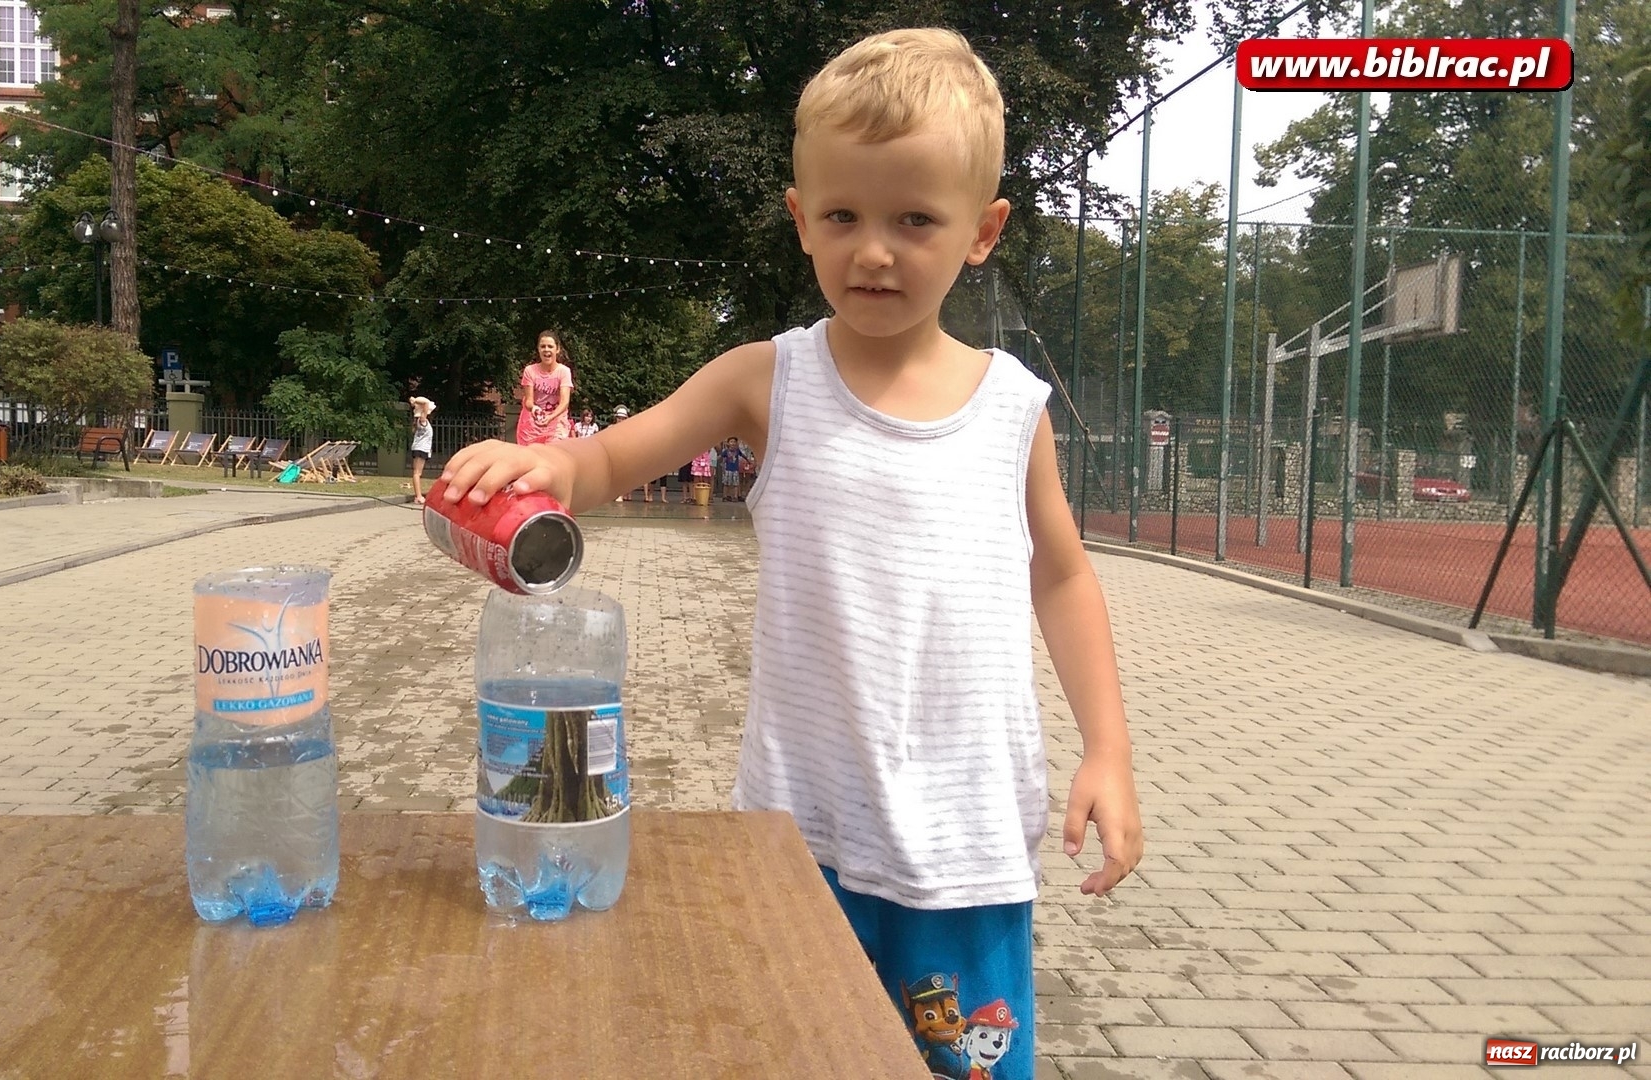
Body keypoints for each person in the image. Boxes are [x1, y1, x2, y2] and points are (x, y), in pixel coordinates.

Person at [439, 30, 1140, 1080]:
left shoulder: (1012, 409)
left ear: (981, 231)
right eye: (845, 215)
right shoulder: (768, 380)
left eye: (915, 219)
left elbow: (1061, 572)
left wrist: (1108, 752)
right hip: (798, 832)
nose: (873, 250)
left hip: (966, 845)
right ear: (799, 217)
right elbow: (607, 460)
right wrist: (534, 468)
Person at [514, 330, 574, 445]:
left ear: (557, 349)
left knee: (553, 454)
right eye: (543, 346)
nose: (546, 349)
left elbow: (564, 402)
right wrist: (534, 409)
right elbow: (529, 401)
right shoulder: (530, 371)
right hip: (531, 425)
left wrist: (550, 417)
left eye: (550, 346)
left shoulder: (564, 372)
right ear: (538, 349)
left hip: (556, 424)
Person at [407, 395, 436, 505]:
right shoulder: (422, 420)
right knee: (417, 473)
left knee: (417, 472)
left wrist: (414, 402)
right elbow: (426, 402)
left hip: (420, 448)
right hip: (421, 449)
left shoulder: (420, 421)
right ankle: (418, 496)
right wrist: (415, 401)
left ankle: (418, 495)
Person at [717, 437, 747, 501]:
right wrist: (713, 460)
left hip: (735, 470)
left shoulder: (737, 451)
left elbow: (743, 455)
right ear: (728, 443)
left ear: (736, 443)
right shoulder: (726, 451)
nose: (732, 443)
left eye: (734, 442)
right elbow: (720, 456)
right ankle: (725, 496)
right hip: (728, 470)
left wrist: (748, 460)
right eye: (731, 442)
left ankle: (735, 496)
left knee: (735, 484)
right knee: (726, 484)